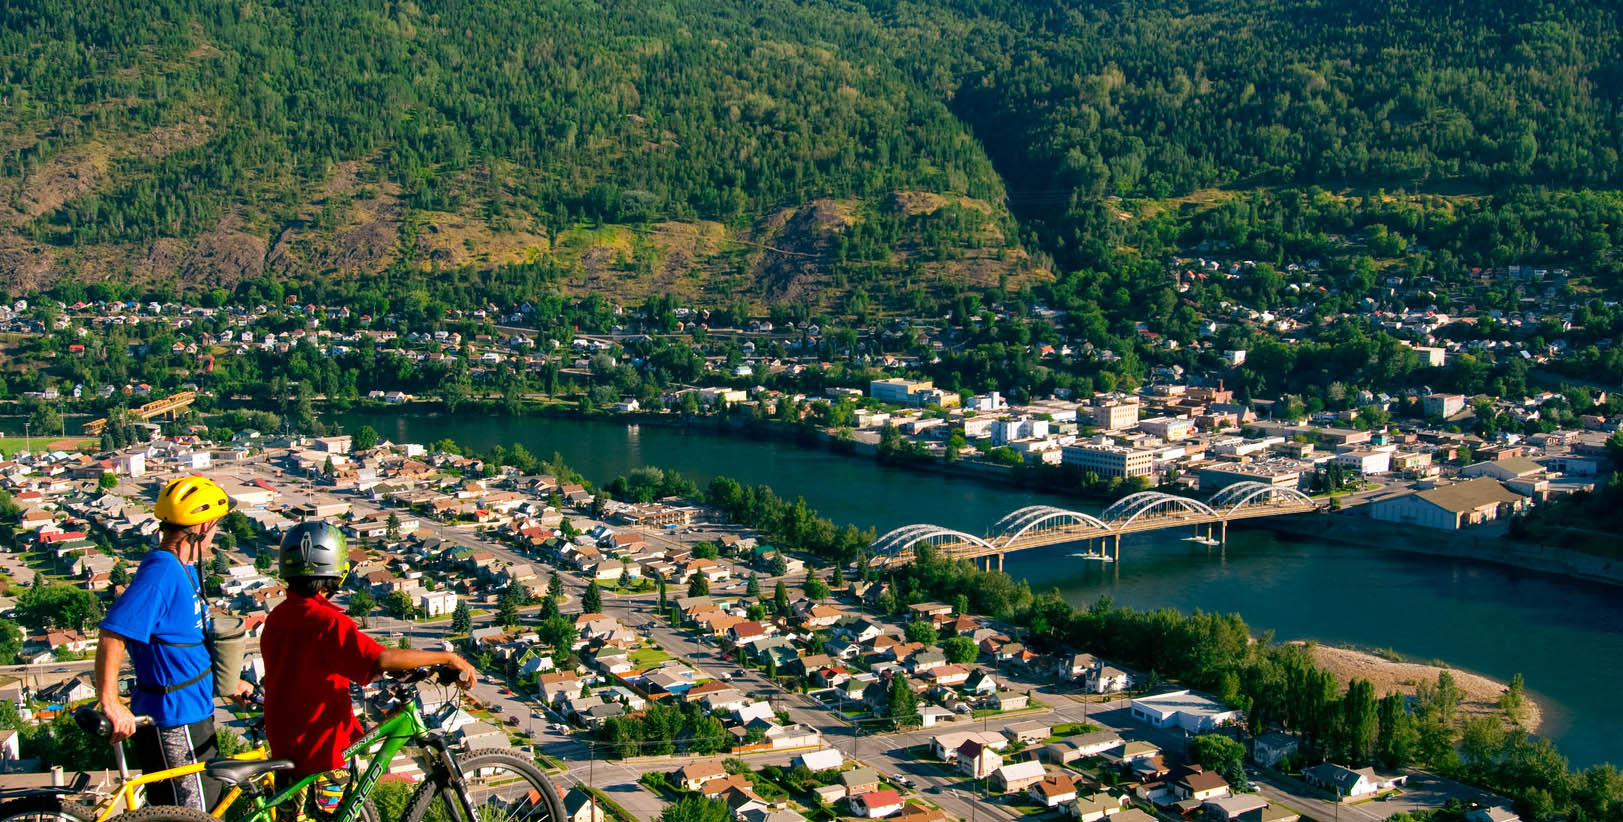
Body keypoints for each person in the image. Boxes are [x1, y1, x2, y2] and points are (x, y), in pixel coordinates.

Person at [262, 521, 475, 819]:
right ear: (336, 571)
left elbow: (316, 666)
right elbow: (381, 659)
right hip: (320, 749)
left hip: (285, 742)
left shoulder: (278, 618)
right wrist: (445, 659)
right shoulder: (327, 623)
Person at [95, 475, 252, 811]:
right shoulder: (161, 573)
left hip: (193, 712)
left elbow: (184, 642)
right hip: (175, 719)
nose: (216, 534)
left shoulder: (184, 568)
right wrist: (110, 701)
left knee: (200, 810)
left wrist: (227, 682)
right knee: (192, 816)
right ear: (204, 525)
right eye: (217, 526)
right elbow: (113, 632)